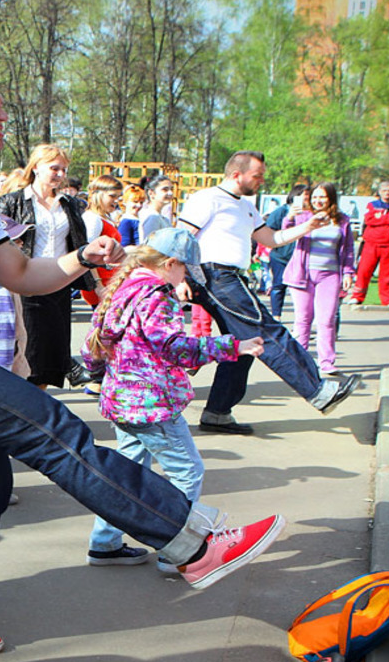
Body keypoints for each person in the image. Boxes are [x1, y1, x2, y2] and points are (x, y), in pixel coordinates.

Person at [0, 63, 287, 651]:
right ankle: (193, 544)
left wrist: (84, 257)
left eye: (1, 105)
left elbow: (24, 274)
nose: (2, 115)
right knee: (56, 432)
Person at [80, 228, 262, 582]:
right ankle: (177, 550)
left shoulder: (124, 287)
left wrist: (104, 376)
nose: (187, 279)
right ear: (170, 264)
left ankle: (104, 542)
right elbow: (175, 347)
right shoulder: (156, 296)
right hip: (152, 403)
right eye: (185, 270)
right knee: (187, 472)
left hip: (122, 399)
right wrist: (233, 347)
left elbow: (93, 346)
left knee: (126, 474)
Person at [176, 151, 360, 436]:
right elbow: (181, 236)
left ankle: (218, 413)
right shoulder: (208, 199)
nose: (261, 180)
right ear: (236, 174)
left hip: (229, 277)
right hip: (215, 276)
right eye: (257, 175)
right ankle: (318, 391)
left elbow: (271, 239)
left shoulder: (246, 206)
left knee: (245, 346)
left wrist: (307, 226)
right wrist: (179, 278)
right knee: (267, 332)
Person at [0, 144, 91, 389]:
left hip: (60, 283)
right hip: (25, 283)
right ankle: (24, 402)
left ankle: (40, 399)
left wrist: (96, 283)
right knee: (29, 353)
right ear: (36, 167)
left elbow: (80, 243)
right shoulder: (13, 201)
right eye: (54, 168)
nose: (60, 174)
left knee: (50, 358)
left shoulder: (70, 204)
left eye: (64, 169)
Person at [283, 184, 355, 376]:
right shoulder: (304, 217)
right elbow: (286, 233)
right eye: (314, 197)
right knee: (303, 320)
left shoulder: (342, 220)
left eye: (322, 197)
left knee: (326, 320)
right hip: (302, 275)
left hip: (329, 275)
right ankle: (300, 363)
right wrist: (290, 216)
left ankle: (327, 362)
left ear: (331, 198)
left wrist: (348, 273)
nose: (318, 201)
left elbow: (348, 249)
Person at [350, 179, 389, 312]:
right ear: (380, 191)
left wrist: (381, 218)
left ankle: (388, 299)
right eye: (384, 190)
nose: (387, 193)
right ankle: (357, 296)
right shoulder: (372, 205)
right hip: (371, 243)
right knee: (364, 271)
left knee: (388, 273)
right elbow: (369, 219)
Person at [263, 183, 310, 318]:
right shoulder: (282, 211)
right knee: (279, 285)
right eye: (305, 195)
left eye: (309, 195)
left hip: (301, 256)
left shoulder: (311, 214)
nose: (307, 198)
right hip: (281, 256)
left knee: (302, 288)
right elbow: (269, 229)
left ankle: (303, 318)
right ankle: (276, 315)